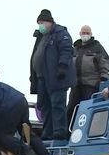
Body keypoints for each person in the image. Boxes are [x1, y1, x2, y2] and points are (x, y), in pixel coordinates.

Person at [30, 9, 76, 140]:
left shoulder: (60, 33)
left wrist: (62, 66)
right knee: (44, 106)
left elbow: (66, 49)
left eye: (42, 22)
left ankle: (59, 132)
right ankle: (48, 132)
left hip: (56, 77)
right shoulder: (41, 37)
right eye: (39, 23)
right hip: (42, 78)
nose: (40, 25)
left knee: (57, 105)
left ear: (50, 22)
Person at [67, 25, 109, 122]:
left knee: (88, 109)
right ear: (80, 34)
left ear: (91, 34)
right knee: (71, 110)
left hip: (90, 84)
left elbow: (105, 61)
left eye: (87, 33)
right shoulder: (76, 48)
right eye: (83, 33)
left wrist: (103, 77)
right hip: (76, 84)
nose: (85, 35)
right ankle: (68, 133)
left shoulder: (97, 47)